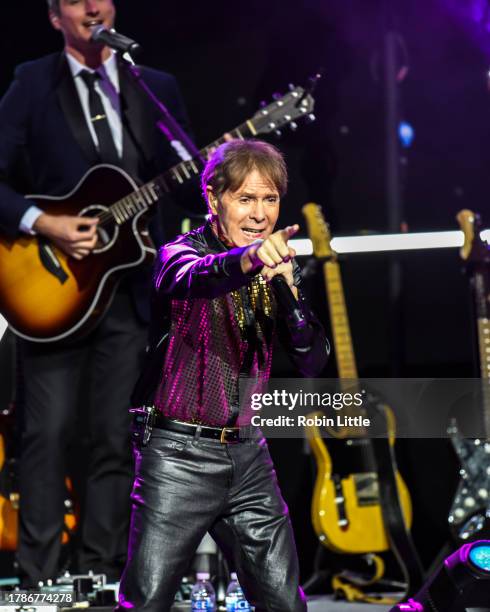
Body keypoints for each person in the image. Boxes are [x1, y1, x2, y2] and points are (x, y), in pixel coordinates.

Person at [0, 0, 193, 585]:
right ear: (55, 16)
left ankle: (101, 573)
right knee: (49, 434)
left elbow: (186, 184)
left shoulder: (152, 86)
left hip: (126, 287)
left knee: (114, 435)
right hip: (51, 287)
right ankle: (38, 579)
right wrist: (45, 223)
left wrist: (215, 175)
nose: (93, 6)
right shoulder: (32, 83)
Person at [117, 139, 330, 611]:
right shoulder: (180, 255)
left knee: (283, 603)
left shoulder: (275, 267)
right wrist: (250, 260)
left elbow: (312, 359)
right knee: (147, 601)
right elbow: (203, 276)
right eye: (245, 198)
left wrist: (290, 295)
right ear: (214, 199)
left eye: (270, 199)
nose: (259, 214)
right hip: (177, 460)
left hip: (250, 458)